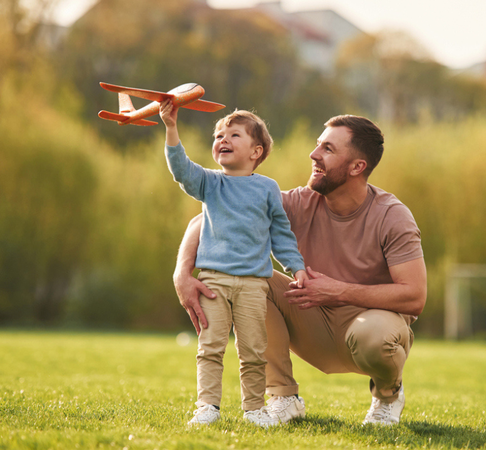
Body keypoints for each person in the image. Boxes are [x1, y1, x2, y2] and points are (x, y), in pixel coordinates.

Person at [174, 114, 427, 426]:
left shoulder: (392, 216)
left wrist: (339, 290)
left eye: (328, 149)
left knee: (372, 336)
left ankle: (387, 397)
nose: (314, 154)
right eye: (317, 145)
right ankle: (283, 397)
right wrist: (182, 273)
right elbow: (206, 219)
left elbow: (414, 296)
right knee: (254, 281)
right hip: (312, 320)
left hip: (370, 329)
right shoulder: (298, 202)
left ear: (357, 167)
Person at [160, 99, 308, 428]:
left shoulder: (268, 189)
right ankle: (207, 407)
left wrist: (296, 267)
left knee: (254, 351)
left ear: (256, 152)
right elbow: (181, 170)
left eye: (234, 135)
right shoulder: (211, 183)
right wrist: (171, 128)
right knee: (210, 346)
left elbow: (281, 235)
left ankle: (254, 409)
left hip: (254, 285)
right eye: (218, 136)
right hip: (213, 282)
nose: (222, 140)